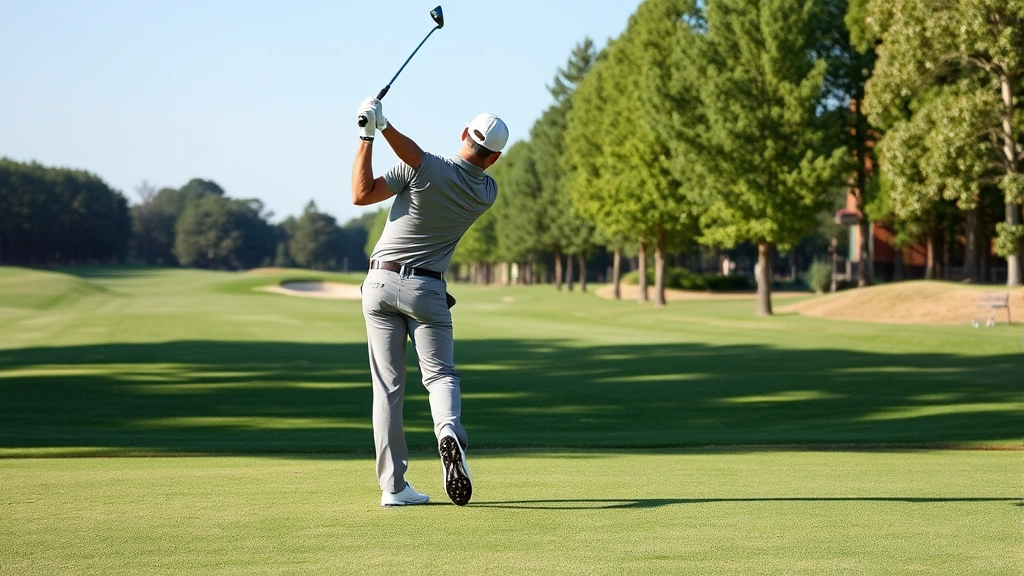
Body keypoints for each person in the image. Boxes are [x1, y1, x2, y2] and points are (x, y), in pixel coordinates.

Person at [351, 96, 508, 507]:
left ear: (464, 133)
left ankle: (393, 488)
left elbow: (361, 194)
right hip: (428, 291)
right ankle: (447, 430)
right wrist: (384, 127)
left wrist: (371, 133)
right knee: (440, 376)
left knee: (388, 389)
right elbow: (417, 157)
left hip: (379, 282)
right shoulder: (486, 191)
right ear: (494, 158)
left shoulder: (422, 167)